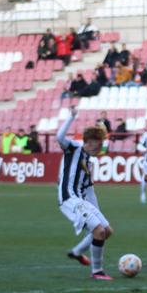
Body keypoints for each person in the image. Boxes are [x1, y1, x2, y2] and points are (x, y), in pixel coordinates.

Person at [57, 107, 114, 280]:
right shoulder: (74, 148)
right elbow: (59, 137)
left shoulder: (89, 162)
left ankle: (77, 252)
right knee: (98, 230)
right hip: (69, 198)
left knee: (106, 230)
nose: (99, 148)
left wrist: (97, 211)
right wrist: (72, 117)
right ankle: (97, 272)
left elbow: (90, 189)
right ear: (89, 142)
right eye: (98, 144)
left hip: (81, 200)